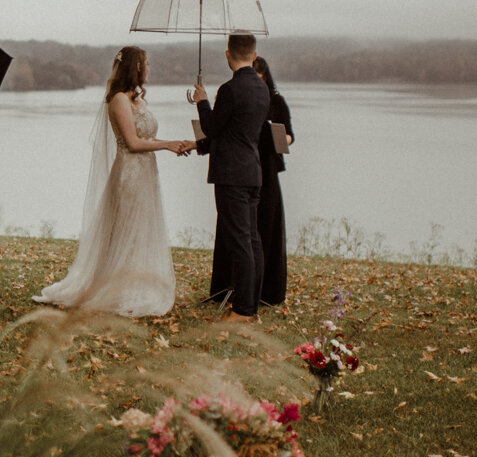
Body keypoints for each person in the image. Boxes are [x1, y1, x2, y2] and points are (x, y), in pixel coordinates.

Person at [34, 47, 193, 317]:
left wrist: (176, 143)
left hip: (146, 174)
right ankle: (119, 288)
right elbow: (131, 143)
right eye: (147, 63)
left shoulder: (137, 100)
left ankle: (138, 284)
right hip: (129, 174)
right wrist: (166, 145)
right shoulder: (118, 99)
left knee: (141, 228)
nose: (150, 69)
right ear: (137, 67)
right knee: (126, 231)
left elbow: (146, 137)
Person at [193, 32, 271, 323]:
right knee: (252, 240)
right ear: (253, 55)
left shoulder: (230, 89)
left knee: (240, 241)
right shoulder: (262, 89)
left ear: (228, 54)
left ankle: (243, 310)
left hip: (231, 173)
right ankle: (249, 302)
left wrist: (202, 102)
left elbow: (212, 127)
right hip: (252, 170)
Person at [209, 55, 292, 310]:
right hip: (243, 168)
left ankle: (265, 289)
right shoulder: (237, 97)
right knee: (237, 230)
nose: (256, 80)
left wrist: (280, 138)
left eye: (260, 76)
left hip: (266, 168)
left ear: (266, 78)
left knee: (264, 228)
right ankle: (231, 286)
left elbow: (289, 135)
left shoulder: (275, 101)